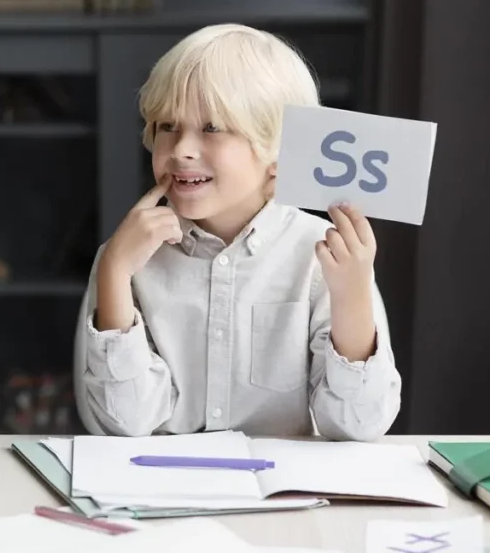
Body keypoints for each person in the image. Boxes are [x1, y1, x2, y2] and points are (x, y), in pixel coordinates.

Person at [73, 23, 402, 442]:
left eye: (212, 128)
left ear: (281, 151)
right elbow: (124, 424)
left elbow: (357, 427)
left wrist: (352, 296)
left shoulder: (325, 259)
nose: (181, 150)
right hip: (163, 491)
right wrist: (115, 274)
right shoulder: (125, 258)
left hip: (291, 497)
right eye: (167, 126)